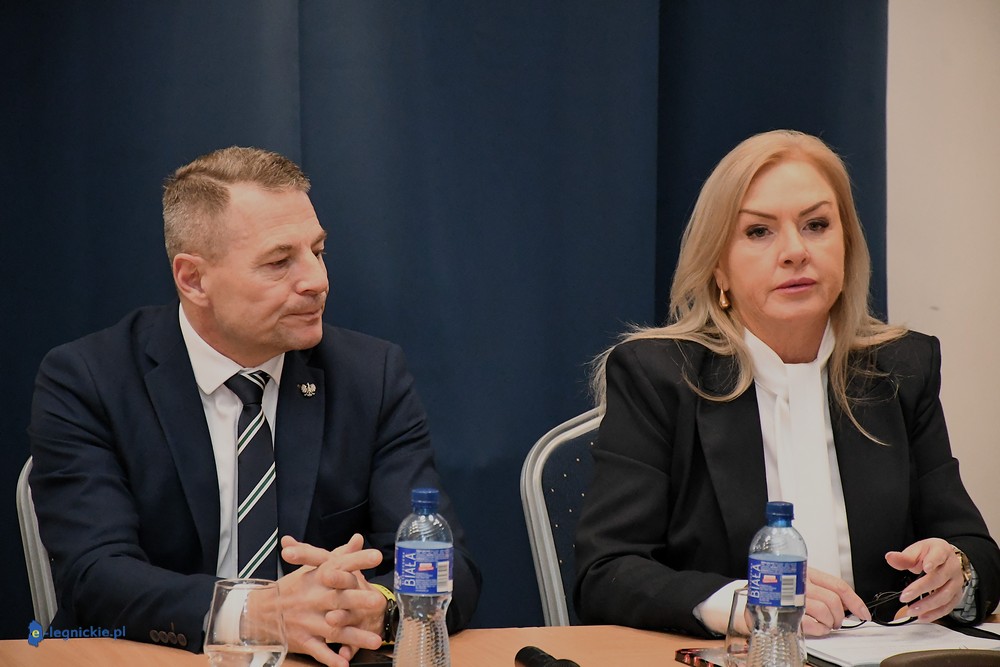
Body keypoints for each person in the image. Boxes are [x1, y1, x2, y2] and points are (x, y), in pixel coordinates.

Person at [28, 146, 481, 666]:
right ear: (194, 279)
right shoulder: (89, 380)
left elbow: (448, 564)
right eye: (279, 262)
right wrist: (252, 613)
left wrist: (376, 607)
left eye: (318, 251)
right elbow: (94, 576)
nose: (316, 280)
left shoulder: (370, 376)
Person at [574, 130, 1000, 638]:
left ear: (847, 245)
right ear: (718, 268)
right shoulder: (660, 376)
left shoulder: (902, 367)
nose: (795, 251)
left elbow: (974, 549)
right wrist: (744, 604)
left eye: (816, 225)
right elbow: (605, 573)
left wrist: (957, 573)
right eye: (758, 231)